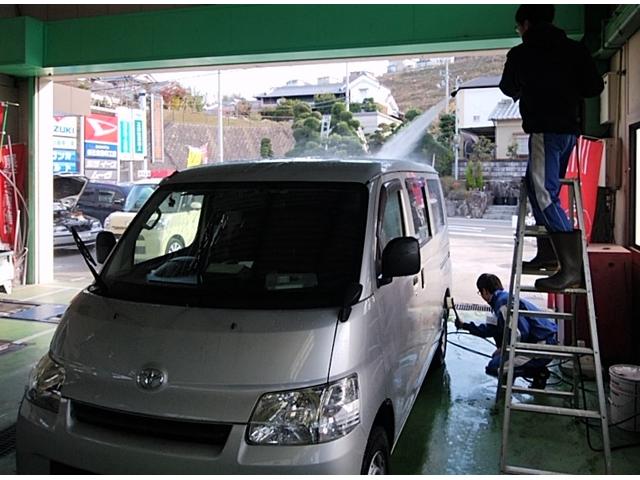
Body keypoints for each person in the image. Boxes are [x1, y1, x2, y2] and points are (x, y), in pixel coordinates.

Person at [499, 5, 604, 291]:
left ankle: (571, 268)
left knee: (544, 194)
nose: (519, 32)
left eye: (519, 27)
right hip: (569, 131)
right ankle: (548, 254)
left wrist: (533, 86)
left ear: (527, 24)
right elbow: (594, 87)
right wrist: (565, 85)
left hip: (545, 130)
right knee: (537, 188)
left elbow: (507, 87)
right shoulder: (574, 49)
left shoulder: (522, 53)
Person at [455, 273, 558, 389]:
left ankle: (539, 372)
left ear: (484, 291)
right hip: (538, 341)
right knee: (497, 359)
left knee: (495, 367)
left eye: (480, 293)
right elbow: (490, 329)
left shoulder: (503, 304)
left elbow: (521, 333)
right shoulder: (500, 300)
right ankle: (529, 368)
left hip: (540, 346)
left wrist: (505, 349)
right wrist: (465, 326)